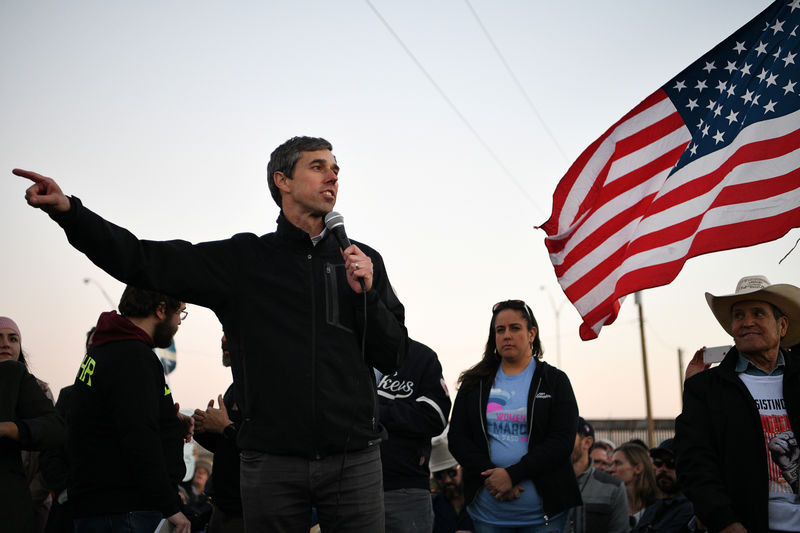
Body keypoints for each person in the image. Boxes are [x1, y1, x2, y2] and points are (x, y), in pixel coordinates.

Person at [15, 135, 407, 533]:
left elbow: (392, 354)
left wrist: (368, 296)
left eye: (336, 168)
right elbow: (143, 260)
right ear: (282, 181)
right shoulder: (244, 261)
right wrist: (70, 213)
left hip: (352, 460)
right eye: (318, 166)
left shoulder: (361, 261)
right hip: (271, 464)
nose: (333, 175)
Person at [675, 275, 800, 533]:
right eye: (739, 316)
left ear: (783, 326)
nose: (747, 323)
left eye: (758, 313)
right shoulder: (705, 389)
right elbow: (694, 461)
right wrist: (725, 522)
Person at [448, 299, 581, 533]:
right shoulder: (474, 383)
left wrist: (513, 475)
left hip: (545, 520)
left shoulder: (554, 381)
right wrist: (494, 478)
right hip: (487, 517)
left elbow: (562, 441)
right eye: (500, 330)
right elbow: (458, 439)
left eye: (515, 328)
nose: (507, 335)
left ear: (532, 333)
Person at [67, 286, 191, 533]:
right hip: (124, 512)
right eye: (180, 312)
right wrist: (171, 507)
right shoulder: (132, 356)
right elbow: (138, 437)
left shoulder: (106, 348)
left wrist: (170, 419)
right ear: (160, 310)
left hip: (108, 509)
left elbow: (112, 418)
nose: (179, 322)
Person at [379, 338, 451, 533]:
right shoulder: (345, 348)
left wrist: (379, 413)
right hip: (347, 487)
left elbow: (436, 415)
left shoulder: (420, 356)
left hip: (405, 488)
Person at [0, 319, 66, 533]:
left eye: (13, 338)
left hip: (21, 507)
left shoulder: (36, 390)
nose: (5, 344)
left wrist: (10, 429)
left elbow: (52, 436)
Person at [192, 335, 244, 533]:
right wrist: (202, 428)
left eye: (231, 331)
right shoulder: (236, 387)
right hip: (222, 510)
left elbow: (264, 446)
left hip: (244, 514)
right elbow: (229, 448)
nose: (223, 339)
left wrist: (225, 427)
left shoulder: (263, 389)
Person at [568, 417, 628, 533]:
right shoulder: (545, 483)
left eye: (567, 435)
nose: (559, 442)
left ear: (587, 442)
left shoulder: (613, 487)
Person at [631, 438, 693, 533]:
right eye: (658, 462)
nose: (663, 469)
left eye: (671, 463)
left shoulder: (691, 508)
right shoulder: (653, 507)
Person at [608, 442, 658, 528]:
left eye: (617, 463)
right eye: (611, 464)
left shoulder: (659, 508)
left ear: (638, 468)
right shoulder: (608, 506)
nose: (610, 469)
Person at [430, 436, 473, 533]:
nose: (447, 480)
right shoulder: (432, 508)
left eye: (452, 472)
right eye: (439, 476)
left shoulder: (479, 503)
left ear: (462, 470)